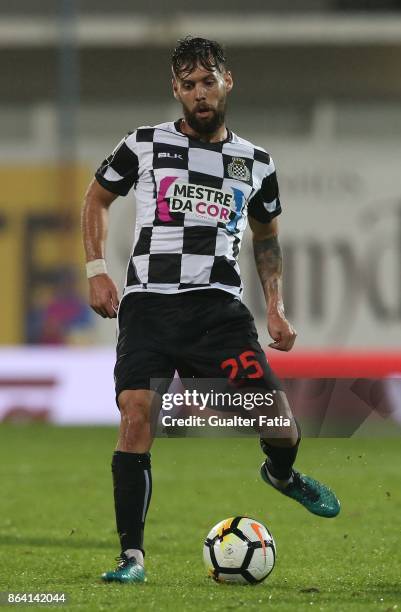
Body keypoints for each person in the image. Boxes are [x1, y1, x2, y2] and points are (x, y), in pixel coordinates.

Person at [82, 36, 340, 584]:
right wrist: (96, 269)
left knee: (278, 424)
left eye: (208, 82)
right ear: (175, 89)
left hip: (217, 313)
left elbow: (266, 238)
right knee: (135, 413)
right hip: (148, 304)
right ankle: (132, 557)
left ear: (228, 81)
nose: (199, 94)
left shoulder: (257, 164)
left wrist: (276, 308)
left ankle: (281, 474)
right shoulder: (143, 144)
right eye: (188, 85)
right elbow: (96, 198)